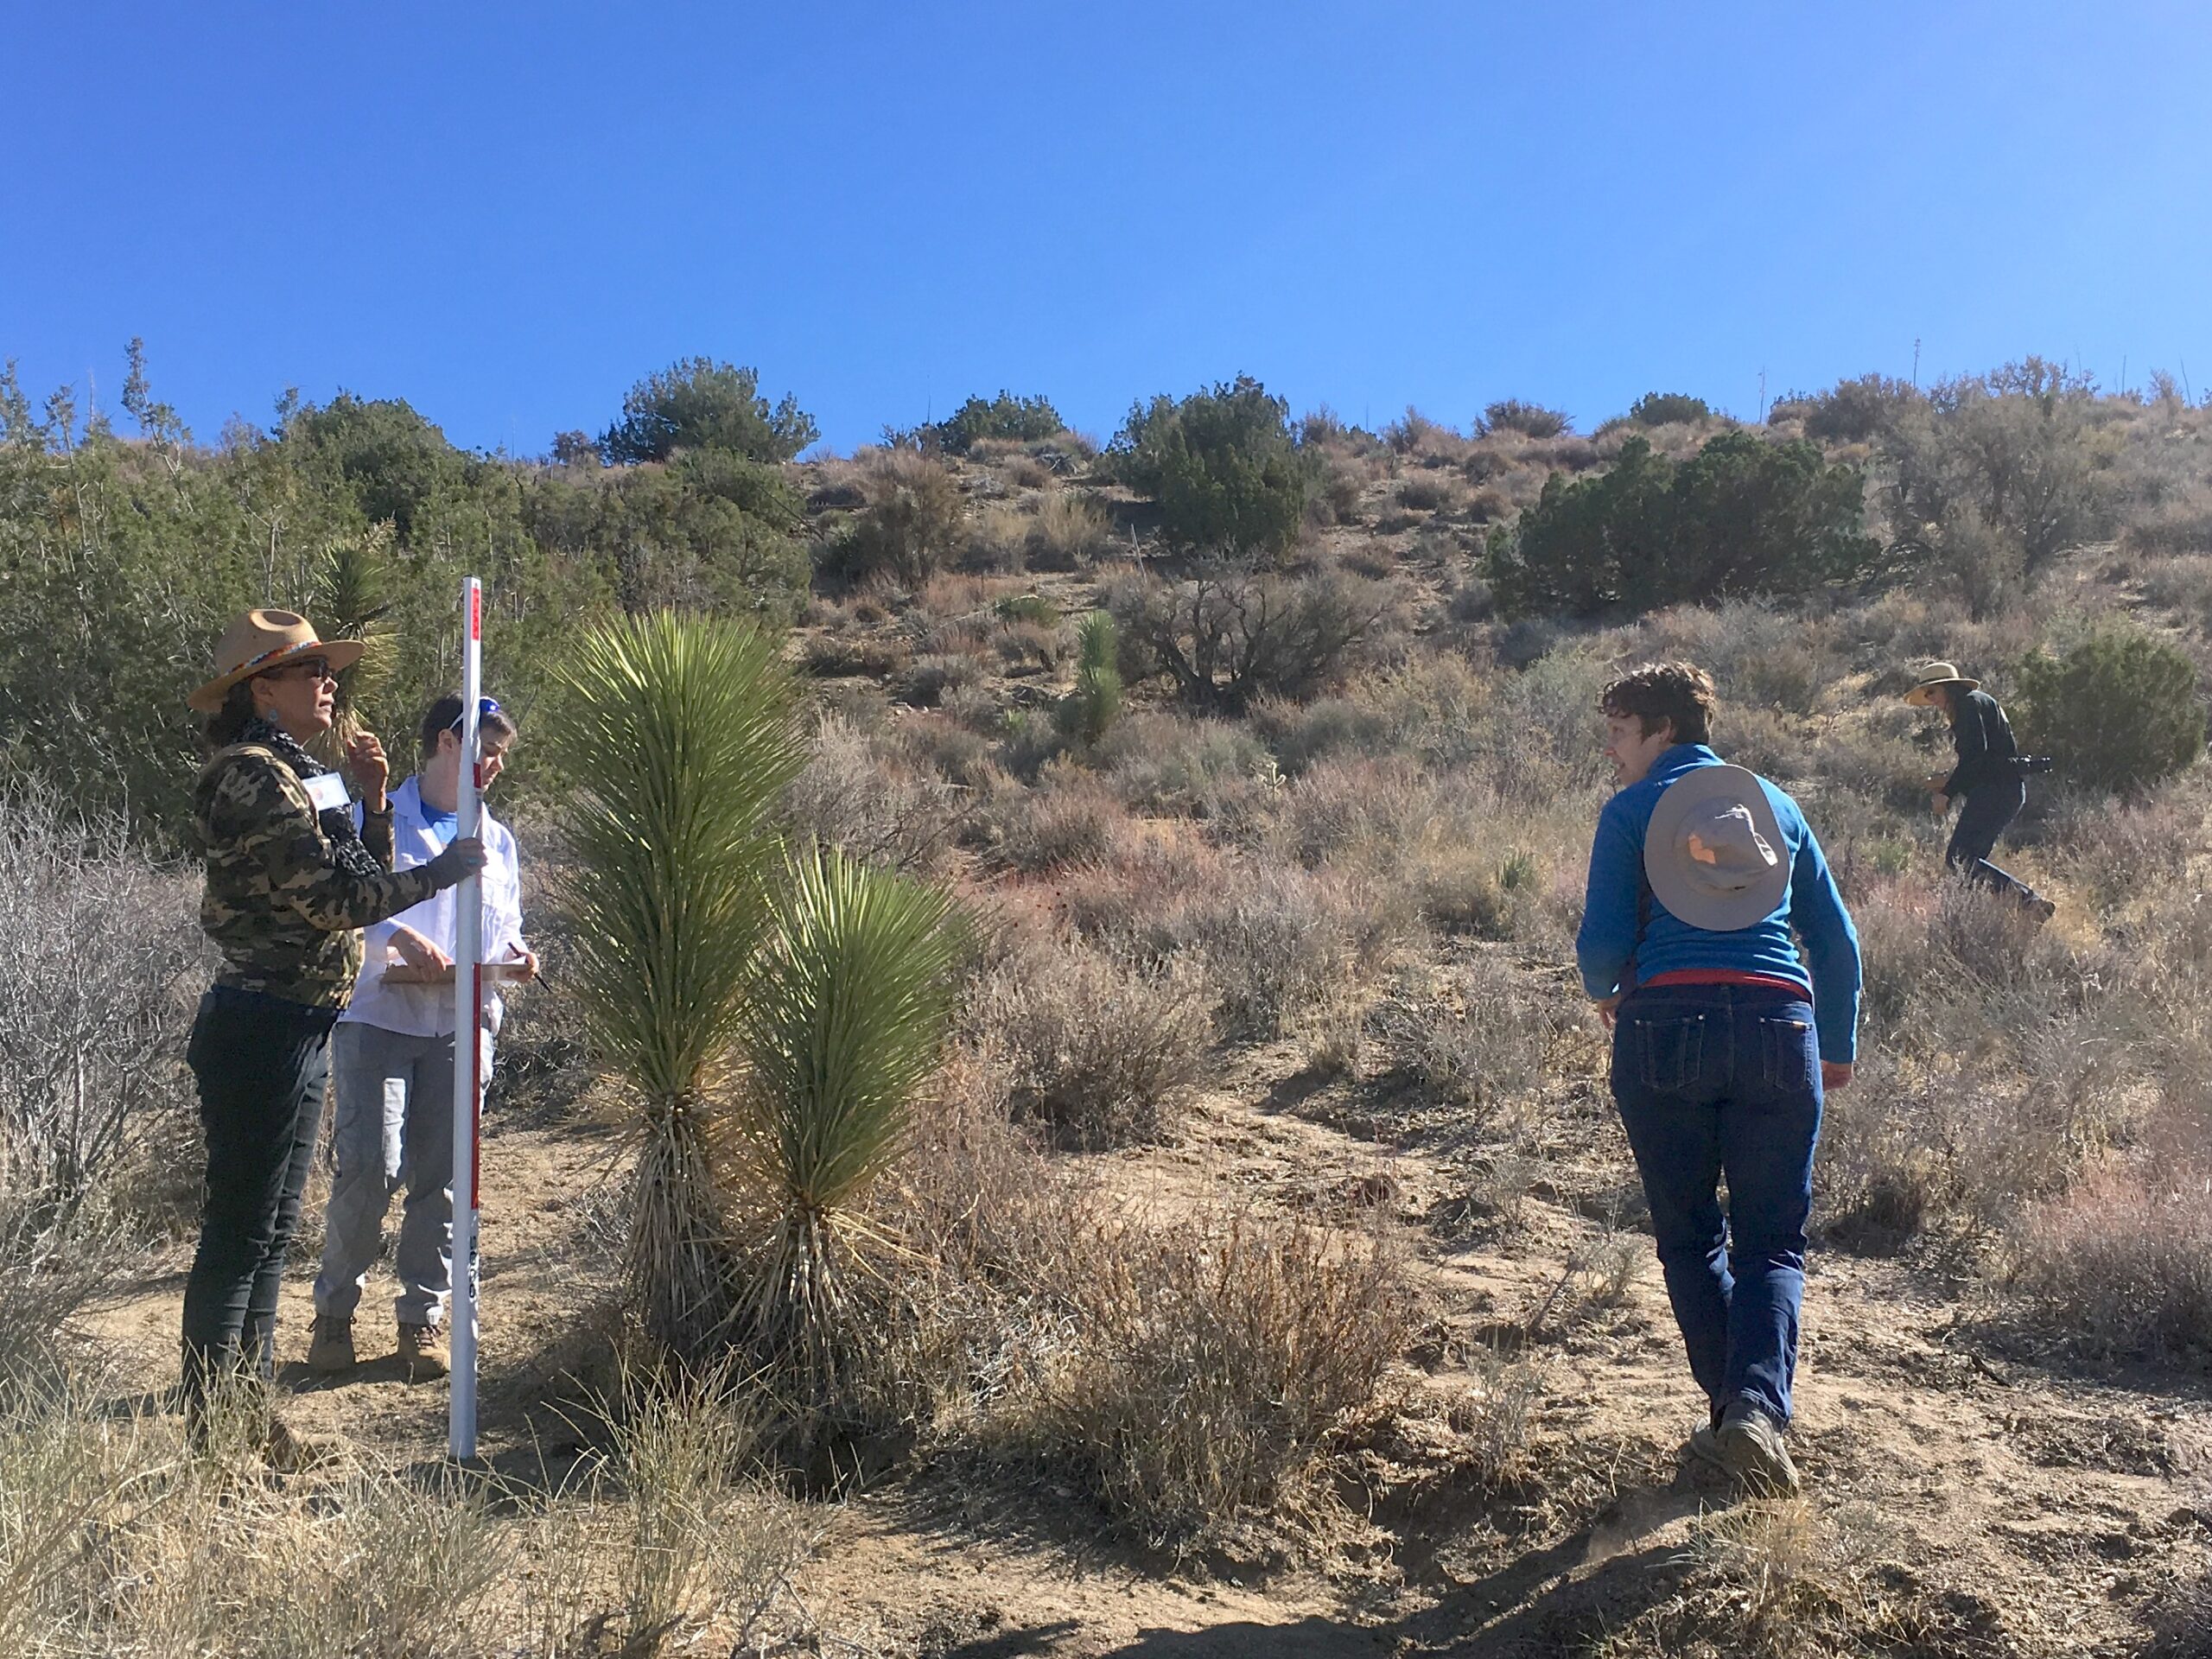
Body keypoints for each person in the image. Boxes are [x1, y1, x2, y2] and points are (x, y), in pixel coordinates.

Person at [182, 610, 486, 1461]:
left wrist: (375, 805)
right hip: (261, 1024)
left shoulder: (298, 774)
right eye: (307, 669)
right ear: (261, 689)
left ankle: (245, 1424)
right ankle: (216, 1434)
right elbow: (336, 903)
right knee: (242, 1234)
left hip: (296, 1020)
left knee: (270, 1232)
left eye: (327, 669)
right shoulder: (251, 778)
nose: (329, 682)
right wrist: (441, 873)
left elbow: (355, 874)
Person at [1576, 662, 1861, 1496]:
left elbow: (1599, 945)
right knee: (1773, 1239)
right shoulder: (1779, 806)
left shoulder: (1631, 812)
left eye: (1620, 733)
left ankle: (1736, 1421)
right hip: (1782, 1027)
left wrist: (1607, 993)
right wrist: (1835, 1045)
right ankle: (1754, 1419)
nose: (1610, 751)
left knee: (1691, 1235)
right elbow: (1836, 942)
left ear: (1662, 728)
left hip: (1665, 1028)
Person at [308, 694, 532, 1382]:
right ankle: (334, 1316)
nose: (494, 766)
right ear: (446, 743)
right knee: (371, 1167)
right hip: (379, 1015)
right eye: (485, 751)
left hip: (459, 1025)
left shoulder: (496, 840)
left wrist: (519, 953)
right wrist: (397, 936)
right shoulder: (381, 817)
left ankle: (422, 1322)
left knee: (443, 1177)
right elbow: (348, 897)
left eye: (499, 755)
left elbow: (505, 925)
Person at [1904, 662, 2055, 919]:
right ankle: (1988, 919)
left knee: (1959, 858)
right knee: (1969, 864)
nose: (1931, 701)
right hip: (2005, 790)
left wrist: (1948, 792)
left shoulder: (1967, 705)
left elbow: (1975, 757)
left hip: (1996, 791)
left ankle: (2030, 903)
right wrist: (1950, 780)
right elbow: (1983, 760)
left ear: (1947, 688)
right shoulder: (1977, 703)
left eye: (1932, 693)